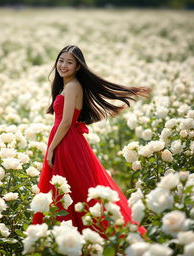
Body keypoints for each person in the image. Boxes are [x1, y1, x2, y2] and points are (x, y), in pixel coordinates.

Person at [32, 45, 151, 236]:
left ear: (78, 67)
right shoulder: (69, 85)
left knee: (74, 189)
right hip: (68, 140)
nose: (63, 65)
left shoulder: (71, 86)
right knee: (75, 187)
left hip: (66, 142)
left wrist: (52, 148)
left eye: (69, 62)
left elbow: (66, 122)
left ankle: (82, 234)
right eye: (61, 61)